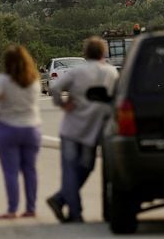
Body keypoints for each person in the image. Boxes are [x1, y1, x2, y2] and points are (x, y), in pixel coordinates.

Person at [46, 37, 119, 223]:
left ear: (85, 53)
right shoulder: (112, 73)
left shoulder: (78, 72)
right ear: (104, 53)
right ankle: (72, 211)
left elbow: (54, 87)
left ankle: (64, 203)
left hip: (71, 129)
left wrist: (62, 104)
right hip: (93, 131)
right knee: (86, 167)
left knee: (70, 170)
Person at [0, 45, 42, 220]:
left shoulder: (4, 80)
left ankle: (12, 210)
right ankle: (31, 208)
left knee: (11, 172)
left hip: (7, 128)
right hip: (31, 128)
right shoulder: (34, 80)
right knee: (30, 170)